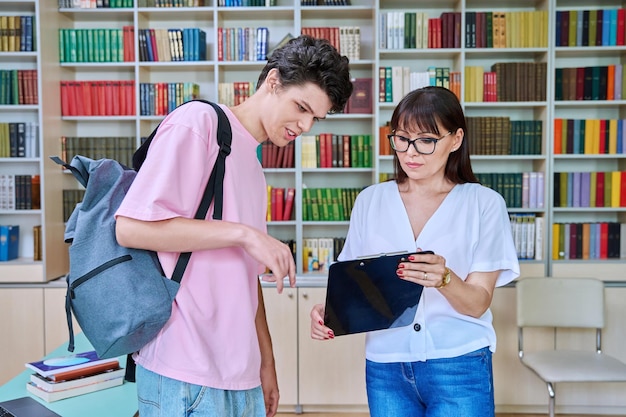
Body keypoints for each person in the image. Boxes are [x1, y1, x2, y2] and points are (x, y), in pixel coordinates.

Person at [114, 35, 353, 417]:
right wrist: (244, 234)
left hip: (239, 374)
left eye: (316, 119)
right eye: (302, 107)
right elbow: (130, 227)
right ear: (273, 81)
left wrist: (266, 361)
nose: (305, 126)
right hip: (183, 369)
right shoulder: (199, 124)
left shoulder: (253, 165)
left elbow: (244, 277)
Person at [310, 86, 520, 417]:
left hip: (458, 364)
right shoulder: (371, 201)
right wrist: (330, 312)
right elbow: (354, 287)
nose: (411, 152)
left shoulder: (484, 204)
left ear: (455, 139)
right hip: (386, 366)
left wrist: (445, 279)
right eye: (402, 139)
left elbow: (478, 303)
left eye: (426, 140)